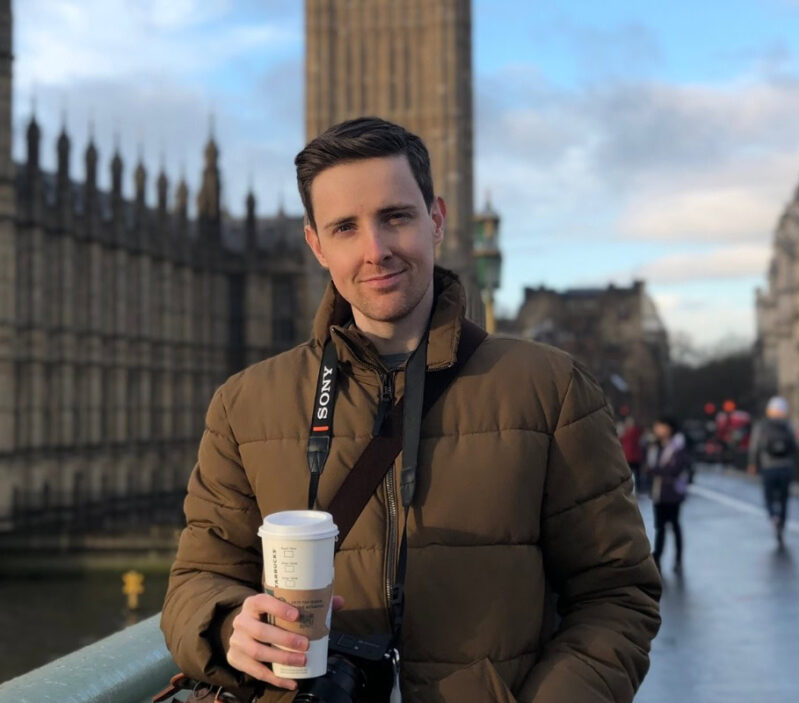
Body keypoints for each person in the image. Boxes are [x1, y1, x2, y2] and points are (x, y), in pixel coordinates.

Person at [160, 117, 661, 702]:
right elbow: (197, 581)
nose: (376, 250)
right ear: (316, 245)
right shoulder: (244, 406)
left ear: (437, 220)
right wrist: (228, 626)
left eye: (395, 217)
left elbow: (617, 594)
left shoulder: (552, 390)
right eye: (345, 228)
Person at [747, 396, 797, 546]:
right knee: (784, 499)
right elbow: (794, 446)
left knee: (768, 497)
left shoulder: (762, 426)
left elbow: (755, 446)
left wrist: (752, 464)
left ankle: (773, 517)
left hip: (768, 467)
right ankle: (781, 524)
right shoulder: (787, 426)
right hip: (785, 467)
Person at [645, 417, 688, 575]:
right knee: (660, 527)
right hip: (658, 492)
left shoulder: (677, 446)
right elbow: (648, 467)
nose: (658, 430)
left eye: (661, 427)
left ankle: (678, 558)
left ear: (669, 428)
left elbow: (675, 468)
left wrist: (657, 471)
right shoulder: (654, 446)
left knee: (674, 525)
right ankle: (657, 557)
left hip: (672, 493)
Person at [619, 416, 645, 494]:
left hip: (631, 457)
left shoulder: (630, 432)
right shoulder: (632, 432)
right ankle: (636, 488)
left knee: (632, 474)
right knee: (634, 474)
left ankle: (634, 488)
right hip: (632, 457)